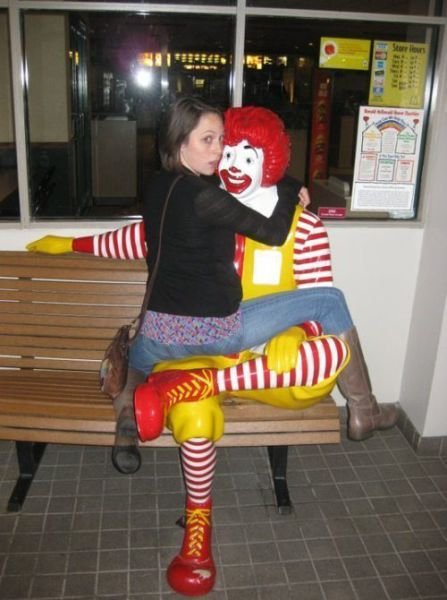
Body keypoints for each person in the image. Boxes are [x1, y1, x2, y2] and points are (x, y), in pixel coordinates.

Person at [27, 99, 397, 597]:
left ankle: (141, 411)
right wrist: (293, 188)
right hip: (215, 338)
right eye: (214, 141)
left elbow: (142, 238)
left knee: (325, 352)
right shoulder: (215, 200)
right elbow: (261, 234)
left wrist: (69, 243)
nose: (225, 153)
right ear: (180, 145)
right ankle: (202, 526)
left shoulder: (166, 190)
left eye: (231, 143)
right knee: (325, 309)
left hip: (177, 342)